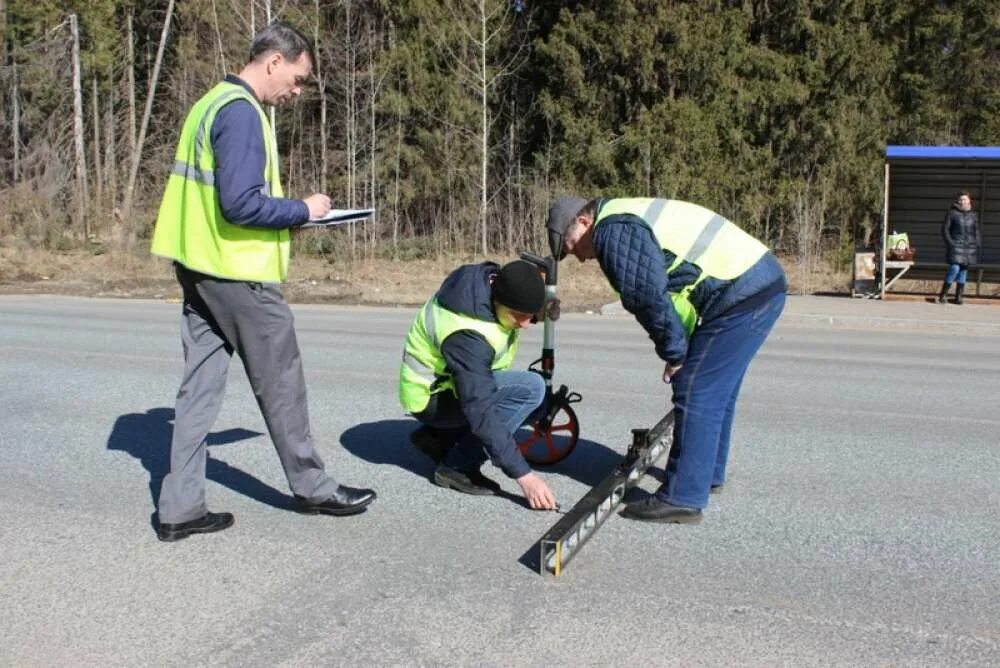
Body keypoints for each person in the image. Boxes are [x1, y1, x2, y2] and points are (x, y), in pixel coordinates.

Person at [149, 22, 376, 542]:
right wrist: (305, 208)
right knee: (282, 386)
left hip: (199, 270)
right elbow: (240, 202)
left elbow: (220, 200)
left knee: (198, 392)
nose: (296, 92)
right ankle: (313, 487)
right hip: (240, 275)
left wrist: (288, 217)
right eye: (297, 79)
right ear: (274, 61)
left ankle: (180, 508)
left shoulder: (209, 102)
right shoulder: (242, 113)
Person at [546, 196, 786, 524]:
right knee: (716, 388)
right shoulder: (625, 214)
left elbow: (647, 298)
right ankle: (706, 475)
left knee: (697, 390)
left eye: (573, 246)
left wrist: (674, 353)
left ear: (584, 222)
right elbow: (678, 294)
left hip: (741, 293)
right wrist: (681, 345)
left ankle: (683, 497)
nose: (580, 257)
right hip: (758, 282)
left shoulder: (612, 231)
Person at [398, 260, 559, 510]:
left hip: (449, 387)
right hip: (431, 398)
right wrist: (524, 476)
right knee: (531, 391)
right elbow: (480, 408)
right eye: (520, 316)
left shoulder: (488, 283)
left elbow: (523, 287)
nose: (526, 324)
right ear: (499, 301)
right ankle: (456, 466)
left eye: (531, 316)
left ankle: (440, 437)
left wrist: (540, 302)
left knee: (538, 405)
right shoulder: (467, 335)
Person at [938, 191, 981, 305]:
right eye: (961, 199)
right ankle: (943, 294)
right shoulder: (952, 213)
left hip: (969, 247)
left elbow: (976, 231)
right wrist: (951, 243)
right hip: (956, 246)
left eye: (965, 199)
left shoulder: (973, 215)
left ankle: (959, 297)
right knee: (954, 268)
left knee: (963, 270)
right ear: (958, 201)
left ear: (969, 200)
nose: (963, 201)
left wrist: (977, 243)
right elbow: (945, 229)